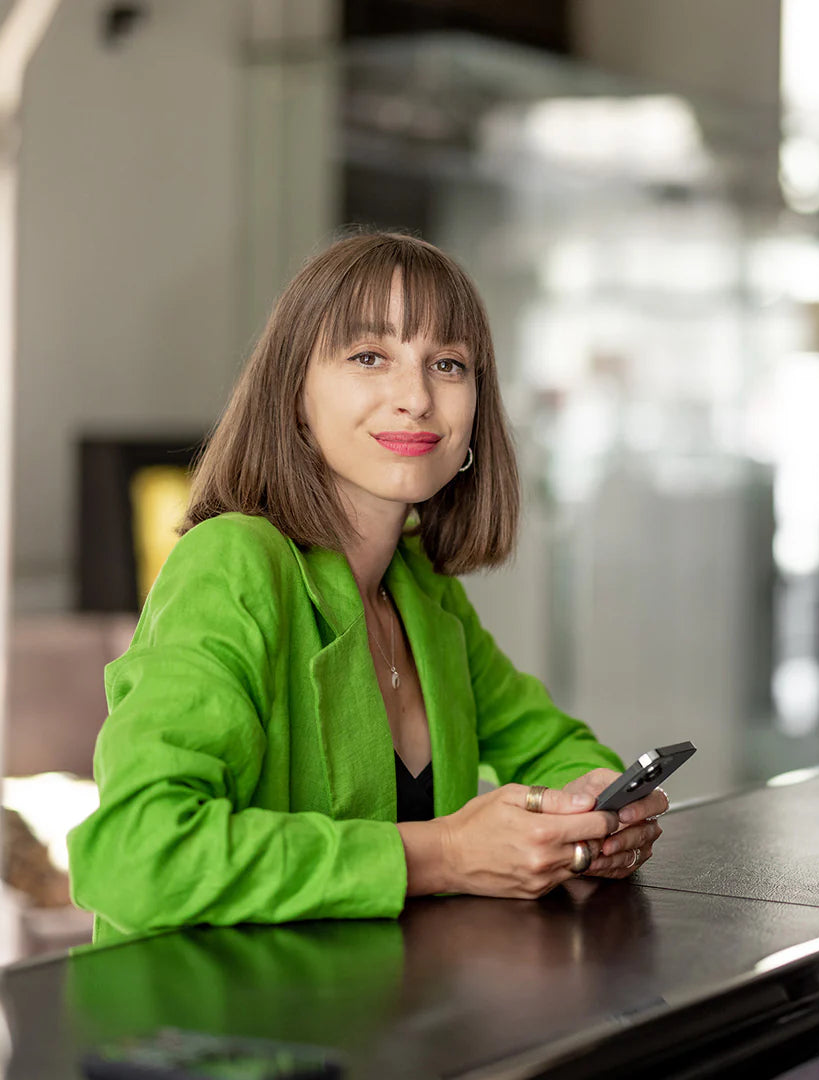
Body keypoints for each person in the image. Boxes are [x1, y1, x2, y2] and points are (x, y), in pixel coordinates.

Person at [67, 232, 666, 945]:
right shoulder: (230, 563)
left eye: (447, 364)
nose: (415, 398)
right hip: (219, 1039)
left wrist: (593, 814)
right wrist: (446, 854)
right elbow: (135, 854)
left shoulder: (419, 589)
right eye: (368, 357)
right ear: (294, 397)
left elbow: (550, 745)